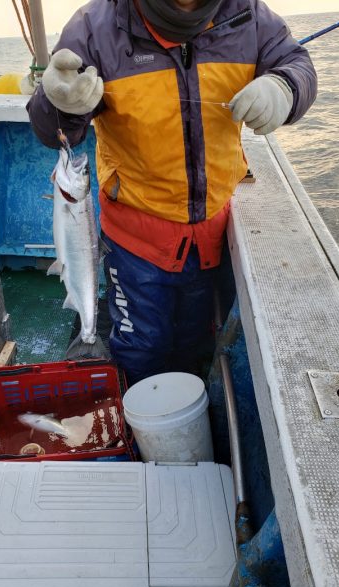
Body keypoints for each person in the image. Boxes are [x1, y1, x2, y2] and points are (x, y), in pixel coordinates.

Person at [27, 0, 317, 384]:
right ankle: (140, 425)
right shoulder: (93, 27)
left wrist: (285, 87)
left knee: (195, 344)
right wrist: (57, 104)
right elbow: (55, 133)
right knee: (140, 349)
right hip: (134, 244)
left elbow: (298, 64)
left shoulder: (248, 15)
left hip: (211, 236)